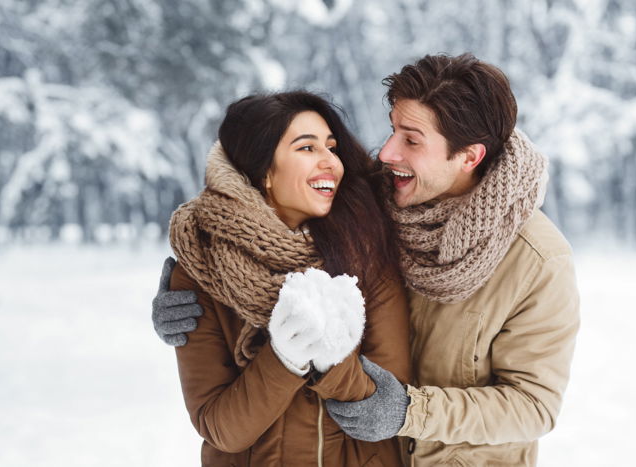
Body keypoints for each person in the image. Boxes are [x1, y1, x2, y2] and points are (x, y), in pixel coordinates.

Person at [153, 54, 580, 467]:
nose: (388, 152)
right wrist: (207, 272)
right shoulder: (374, 200)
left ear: (469, 156)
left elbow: (533, 405)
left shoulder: (537, 261)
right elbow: (256, 202)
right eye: (393, 129)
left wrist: (410, 411)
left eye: (411, 140)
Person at [158, 90, 412, 466]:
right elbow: (221, 428)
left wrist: (330, 351)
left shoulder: (366, 251)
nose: (331, 163)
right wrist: (285, 358)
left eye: (331, 147)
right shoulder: (201, 269)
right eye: (307, 148)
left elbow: (383, 398)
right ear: (264, 172)